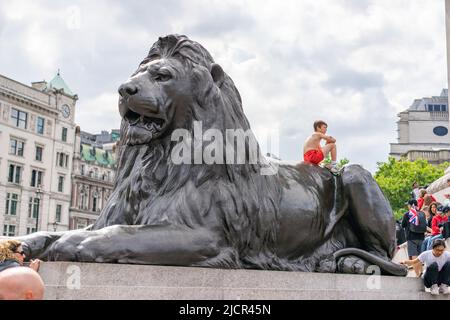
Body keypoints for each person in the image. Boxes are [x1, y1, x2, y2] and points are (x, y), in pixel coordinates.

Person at [401, 199, 426, 276]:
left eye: (408, 205)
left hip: (411, 238)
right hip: (421, 237)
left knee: (414, 256)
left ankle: (417, 274)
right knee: (420, 255)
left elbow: (403, 225)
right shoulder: (422, 213)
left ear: (410, 205)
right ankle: (422, 271)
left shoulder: (407, 214)